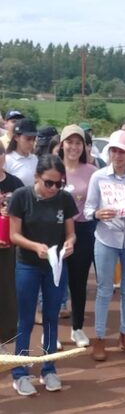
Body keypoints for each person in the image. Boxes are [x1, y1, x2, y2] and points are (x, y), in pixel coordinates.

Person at [9, 155, 77, 396]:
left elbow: (71, 233)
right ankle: (19, 372)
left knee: (51, 317)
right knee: (25, 320)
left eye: (59, 184)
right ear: (37, 177)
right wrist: (34, 246)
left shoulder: (64, 199)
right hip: (28, 265)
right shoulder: (21, 197)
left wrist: (69, 244)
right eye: (49, 183)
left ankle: (49, 368)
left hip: (55, 266)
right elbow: (14, 235)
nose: (54, 189)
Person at [84, 130, 125, 361]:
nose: (117, 155)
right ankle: (99, 337)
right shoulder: (98, 177)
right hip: (106, 238)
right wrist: (99, 213)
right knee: (104, 289)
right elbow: (88, 210)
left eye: (122, 151)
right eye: (114, 150)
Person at [59, 125, 97, 347]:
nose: (73, 147)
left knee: (78, 281)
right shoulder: (54, 168)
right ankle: (50, 331)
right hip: (55, 231)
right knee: (53, 282)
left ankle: (78, 328)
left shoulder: (91, 171)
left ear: (83, 146)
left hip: (83, 230)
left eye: (78, 142)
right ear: (61, 143)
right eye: (69, 142)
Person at [0, 141, 24, 354]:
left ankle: (4, 341)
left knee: (7, 291)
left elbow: (24, 214)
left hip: (9, 248)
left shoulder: (15, 183)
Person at [5, 119, 38, 186]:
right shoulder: (7, 160)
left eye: (34, 139)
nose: (32, 143)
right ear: (16, 137)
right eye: (28, 139)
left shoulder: (35, 159)